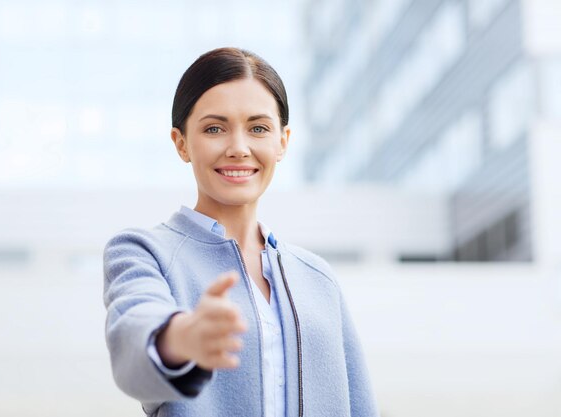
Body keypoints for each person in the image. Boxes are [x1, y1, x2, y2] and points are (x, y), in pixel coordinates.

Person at [103, 47, 378, 417]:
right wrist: (181, 337)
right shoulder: (142, 252)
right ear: (181, 142)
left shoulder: (318, 278)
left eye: (258, 128)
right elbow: (132, 346)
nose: (238, 148)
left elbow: (360, 405)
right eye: (214, 128)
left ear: (282, 141)